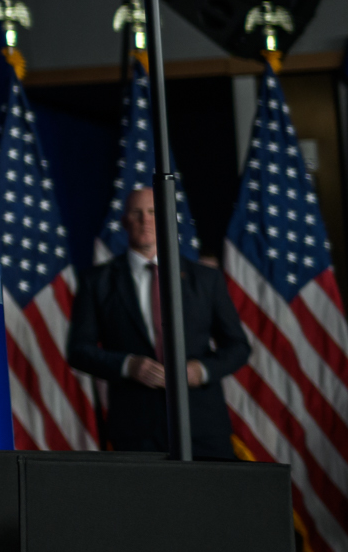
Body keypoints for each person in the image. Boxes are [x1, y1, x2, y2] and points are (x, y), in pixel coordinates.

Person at [65, 182, 251, 458]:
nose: (145, 219)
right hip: (135, 430)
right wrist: (128, 366)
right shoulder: (97, 282)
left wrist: (200, 370)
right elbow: (78, 350)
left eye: (153, 211)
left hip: (202, 427)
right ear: (124, 221)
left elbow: (238, 346)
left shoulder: (206, 279)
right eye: (137, 213)